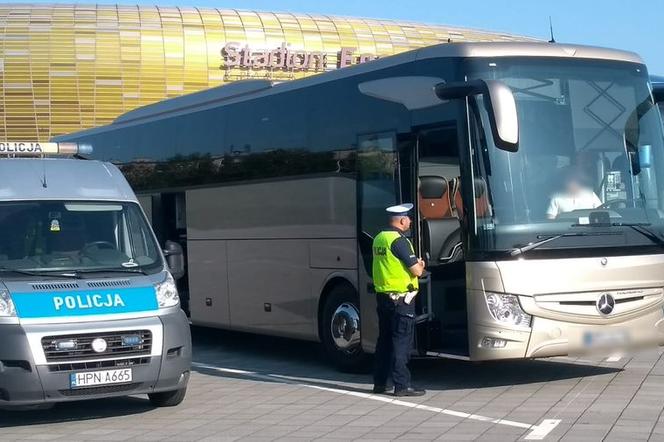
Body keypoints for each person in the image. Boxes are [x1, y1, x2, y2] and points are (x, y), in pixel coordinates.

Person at [372, 203, 426, 397]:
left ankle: (380, 383)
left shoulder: (379, 238)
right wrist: (420, 264)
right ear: (402, 220)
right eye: (409, 218)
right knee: (401, 342)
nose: (410, 221)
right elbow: (416, 270)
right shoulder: (399, 241)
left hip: (383, 297)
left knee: (384, 341)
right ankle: (402, 385)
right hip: (402, 300)